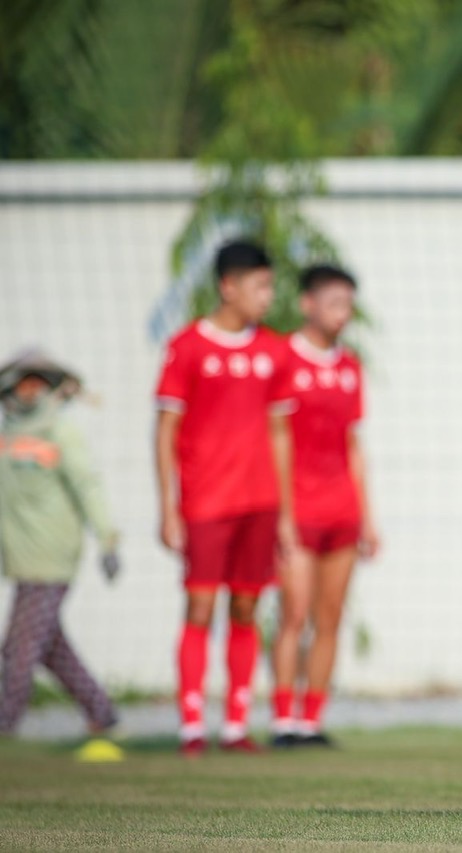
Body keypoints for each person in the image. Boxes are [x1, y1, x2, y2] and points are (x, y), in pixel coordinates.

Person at [154, 239, 296, 755]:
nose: (268, 295)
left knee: (246, 606)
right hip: (206, 502)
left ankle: (236, 726)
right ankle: (192, 726)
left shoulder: (274, 351)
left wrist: (285, 513)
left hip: (260, 502)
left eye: (270, 285)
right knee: (199, 605)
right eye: (260, 285)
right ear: (228, 286)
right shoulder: (188, 346)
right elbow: (165, 430)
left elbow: (280, 434)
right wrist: (168, 507)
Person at [270, 264, 377, 748]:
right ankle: (282, 721)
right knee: (294, 613)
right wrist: (281, 515)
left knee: (330, 617)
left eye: (348, 303)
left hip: (342, 511)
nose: (343, 312)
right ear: (307, 304)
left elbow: (353, 445)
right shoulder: (282, 358)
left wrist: (367, 519)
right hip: (297, 511)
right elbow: (273, 439)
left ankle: (311, 721)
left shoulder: (349, 366)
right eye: (334, 302)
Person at [0, 349, 121, 744]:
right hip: (19, 555)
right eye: (24, 381)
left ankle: (5, 723)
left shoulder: (61, 432)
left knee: (19, 646)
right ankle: (102, 713)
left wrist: (107, 538)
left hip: (51, 555)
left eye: (39, 382)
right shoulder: (8, 432)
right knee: (50, 645)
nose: (30, 390)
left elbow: (87, 485)